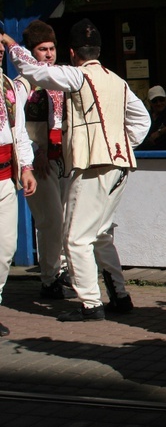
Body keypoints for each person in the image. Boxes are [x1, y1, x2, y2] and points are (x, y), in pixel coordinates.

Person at [3, 18, 151, 321]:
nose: (48, 53)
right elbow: (142, 121)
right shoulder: (116, 79)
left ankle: (90, 304)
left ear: (71, 53)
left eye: (52, 48)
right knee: (99, 233)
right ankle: (119, 296)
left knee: (75, 237)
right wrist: (120, 145)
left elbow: (33, 71)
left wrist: (10, 45)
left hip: (92, 164)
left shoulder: (76, 76)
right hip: (117, 164)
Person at [13, 20, 73, 300]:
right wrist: (33, 152)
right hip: (37, 159)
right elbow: (16, 125)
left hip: (62, 157)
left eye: (51, 48)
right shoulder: (22, 84)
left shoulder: (61, 78)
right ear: (30, 53)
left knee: (65, 219)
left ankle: (59, 270)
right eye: (41, 49)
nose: (48, 54)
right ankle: (50, 278)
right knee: (50, 219)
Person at [0, 39, 38, 336]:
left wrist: (26, 166)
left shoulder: (9, 87)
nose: (0, 50)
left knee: (6, 247)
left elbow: (19, 131)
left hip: (4, 177)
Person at [141, 85, 166, 149]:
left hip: (165, 153)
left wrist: (159, 132)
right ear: (150, 102)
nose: (158, 103)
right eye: (155, 101)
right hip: (146, 153)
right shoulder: (146, 114)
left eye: (161, 100)